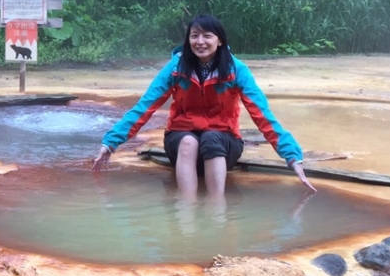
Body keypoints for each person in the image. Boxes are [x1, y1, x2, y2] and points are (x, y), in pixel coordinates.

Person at [91, 14, 315, 196]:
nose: (200, 42)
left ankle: (217, 210)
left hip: (223, 145)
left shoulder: (237, 70)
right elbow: (144, 107)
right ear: (188, 40)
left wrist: (292, 157)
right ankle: (186, 211)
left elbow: (263, 115)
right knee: (189, 141)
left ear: (220, 41)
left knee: (211, 137)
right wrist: (111, 142)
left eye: (207, 36)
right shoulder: (176, 67)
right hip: (181, 145)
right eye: (194, 36)